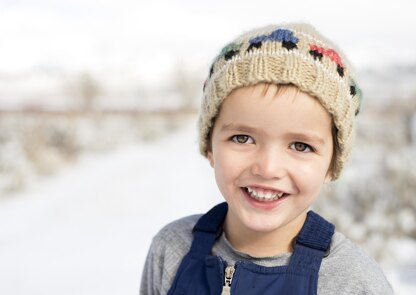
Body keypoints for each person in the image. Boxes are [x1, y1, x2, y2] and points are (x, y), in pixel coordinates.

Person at [140, 23, 393, 294]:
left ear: (331, 165)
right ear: (210, 147)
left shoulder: (353, 282)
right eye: (242, 138)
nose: (268, 168)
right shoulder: (172, 250)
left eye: (300, 145)